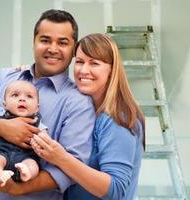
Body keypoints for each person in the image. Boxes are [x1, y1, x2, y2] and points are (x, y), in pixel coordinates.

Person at [0, 9, 96, 200]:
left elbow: (72, 167)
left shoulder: (78, 102)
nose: (53, 49)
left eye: (62, 43)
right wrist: (1, 127)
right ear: (34, 43)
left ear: (73, 50)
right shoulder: (2, 78)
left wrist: (18, 189)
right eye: (45, 40)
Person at [31, 33, 145, 200]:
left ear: (111, 70)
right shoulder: (85, 111)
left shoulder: (117, 119)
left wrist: (61, 158)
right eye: (79, 62)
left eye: (94, 63)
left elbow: (116, 189)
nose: (84, 70)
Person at [0, 80, 47, 188]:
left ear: (37, 107)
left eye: (29, 96)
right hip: (2, 153)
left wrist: (42, 141)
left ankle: (26, 172)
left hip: (26, 155)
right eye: (15, 95)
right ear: (5, 104)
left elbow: (45, 137)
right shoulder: (1, 113)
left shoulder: (37, 122)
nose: (22, 99)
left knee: (33, 165)